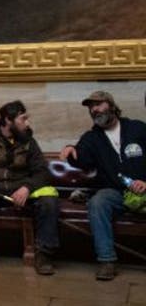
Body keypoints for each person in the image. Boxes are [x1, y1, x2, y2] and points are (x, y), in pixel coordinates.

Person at [58, 90, 146, 281]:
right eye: (91, 107)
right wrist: (71, 150)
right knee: (98, 202)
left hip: (144, 189)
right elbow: (82, 157)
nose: (94, 109)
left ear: (112, 105)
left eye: (98, 104)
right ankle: (107, 261)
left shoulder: (137, 128)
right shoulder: (92, 138)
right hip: (116, 193)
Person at [0, 100, 59, 275]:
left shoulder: (29, 142)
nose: (27, 123)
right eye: (23, 119)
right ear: (8, 120)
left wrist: (27, 187)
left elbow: (42, 171)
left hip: (21, 189)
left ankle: (44, 253)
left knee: (49, 202)